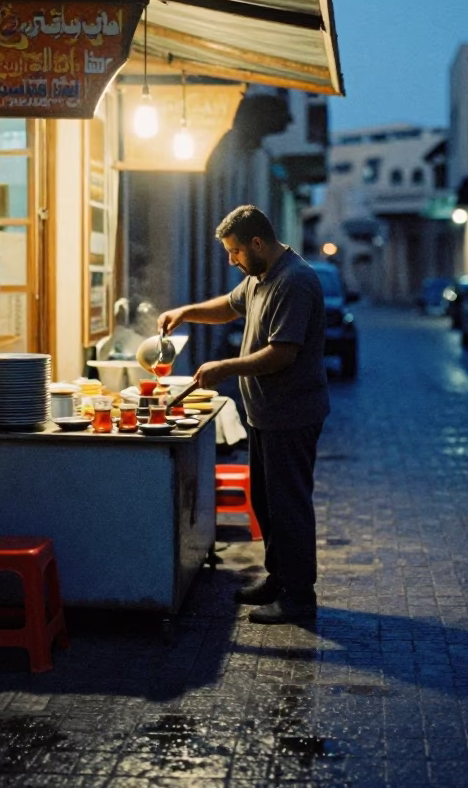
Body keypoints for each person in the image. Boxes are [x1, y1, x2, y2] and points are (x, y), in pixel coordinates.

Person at [159, 205, 329, 625]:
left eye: (235, 251)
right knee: (266, 503)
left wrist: (225, 368)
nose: (232, 261)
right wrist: (187, 313)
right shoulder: (258, 278)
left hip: (292, 414)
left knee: (288, 505)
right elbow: (229, 306)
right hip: (265, 414)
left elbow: (282, 354)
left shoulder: (295, 280)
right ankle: (279, 579)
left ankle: (299, 598)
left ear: (257, 242)